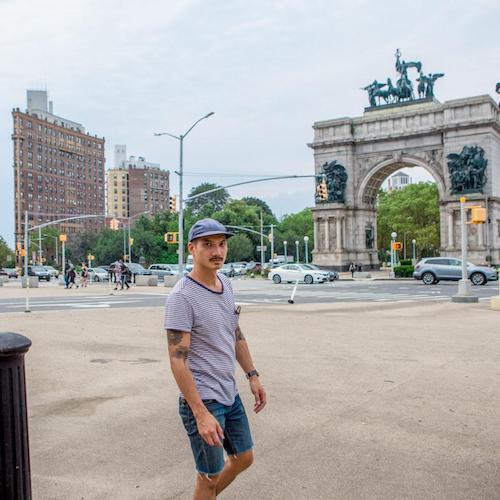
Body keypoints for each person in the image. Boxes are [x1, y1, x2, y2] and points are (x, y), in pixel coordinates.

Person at [164, 218, 266, 500]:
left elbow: (234, 332)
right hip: (204, 400)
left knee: (244, 457)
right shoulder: (182, 297)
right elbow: (177, 359)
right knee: (208, 477)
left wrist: (252, 375)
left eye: (221, 244)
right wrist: (200, 413)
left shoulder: (225, 283)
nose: (217, 251)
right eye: (207, 244)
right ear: (191, 249)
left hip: (229, 394)